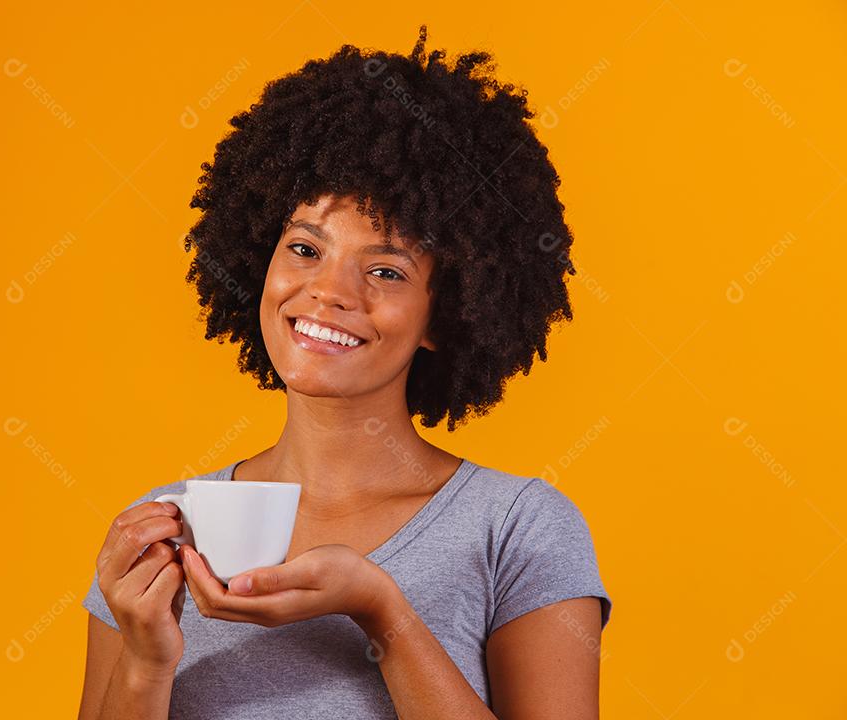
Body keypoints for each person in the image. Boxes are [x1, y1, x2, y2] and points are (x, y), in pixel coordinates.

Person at [78, 25, 612, 720]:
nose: (330, 291)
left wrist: (383, 614)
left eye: (385, 270)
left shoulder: (518, 530)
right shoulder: (163, 536)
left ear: (443, 316)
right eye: (305, 247)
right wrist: (147, 662)